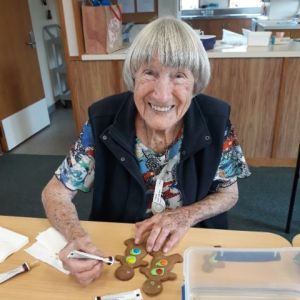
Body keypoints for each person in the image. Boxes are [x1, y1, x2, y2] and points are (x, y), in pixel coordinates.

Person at [42, 16, 250, 286]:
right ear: (134, 76)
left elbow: (228, 192)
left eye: (179, 76)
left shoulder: (215, 120)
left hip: (192, 249)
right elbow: (55, 193)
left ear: (195, 82)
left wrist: (185, 215)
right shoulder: (104, 120)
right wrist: (77, 238)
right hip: (115, 253)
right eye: (149, 72)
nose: (162, 95)